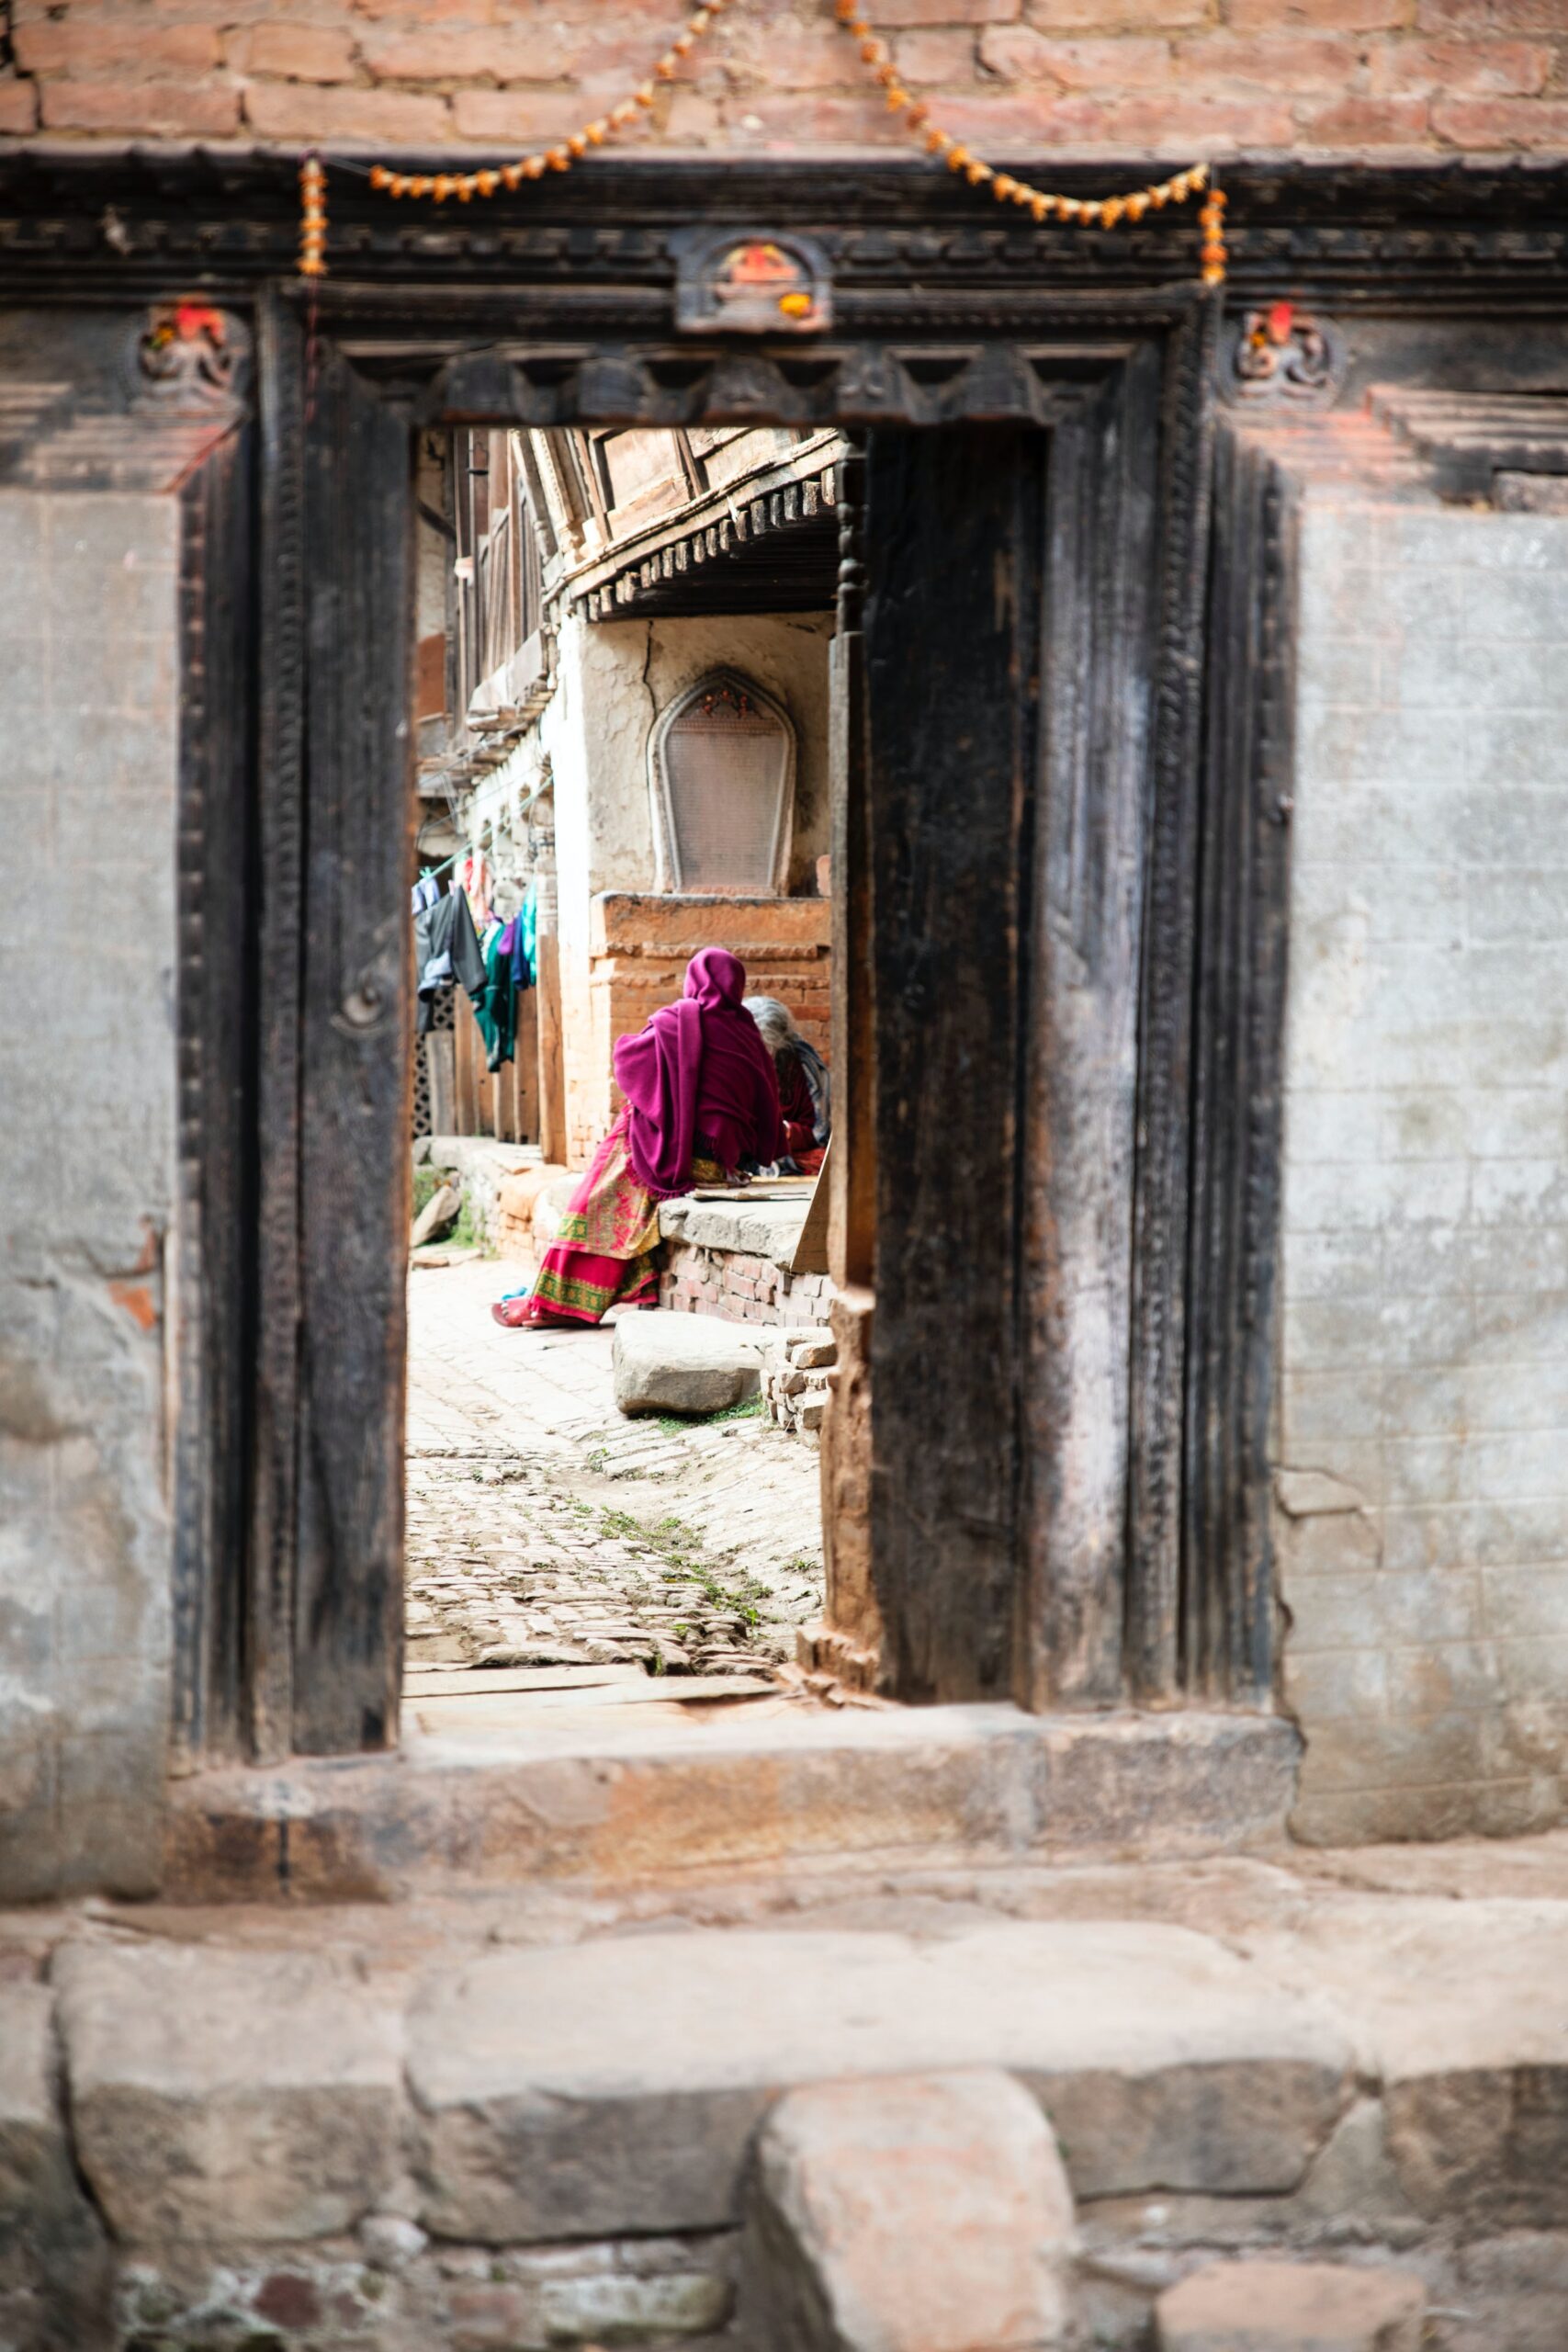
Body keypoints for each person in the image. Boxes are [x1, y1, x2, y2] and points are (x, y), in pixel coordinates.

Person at [493, 947, 786, 1329]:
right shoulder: (749, 1032)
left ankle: (557, 1300)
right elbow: (767, 1113)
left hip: (674, 1160)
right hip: (718, 1167)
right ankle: (632, 1290)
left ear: (693, 980)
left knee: (602, 1182)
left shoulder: (679, 1020)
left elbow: (628, 1059)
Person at [742, 995, 831, 1176]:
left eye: (766, 1047)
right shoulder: (739, 1061)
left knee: (827, 1161)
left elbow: (819, 1132)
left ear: (781, 1042)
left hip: (792, 1150)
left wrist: (787, 1131)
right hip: (749, 1150)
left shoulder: (803, 1064)